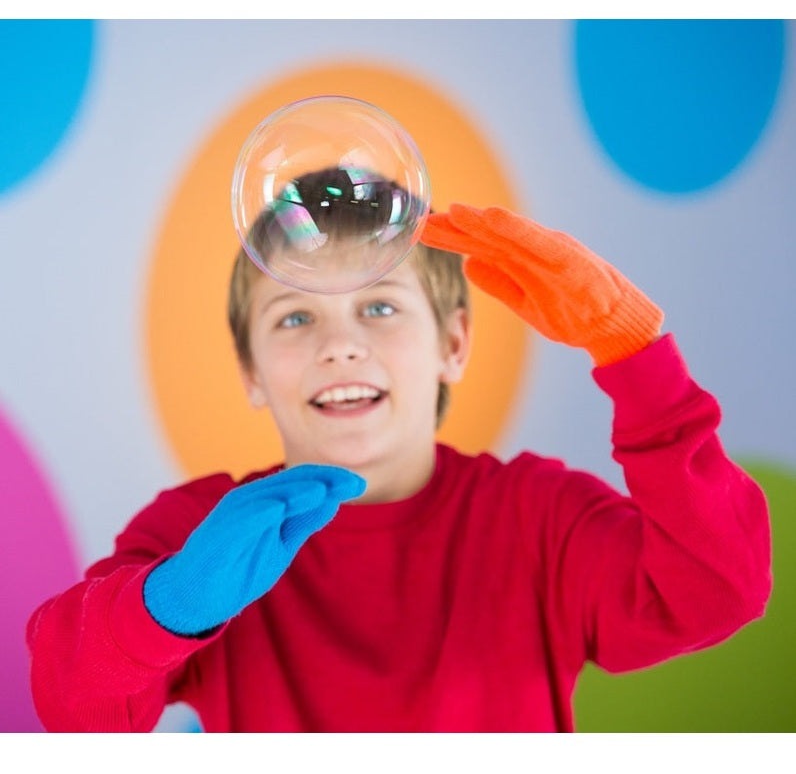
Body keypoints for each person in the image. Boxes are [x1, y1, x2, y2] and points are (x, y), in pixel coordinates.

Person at [26, 175, 772, 732]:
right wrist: (169, 606)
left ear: (453, 344)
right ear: (251, 372)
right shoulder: (202, 533)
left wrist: (632, 350)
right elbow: (69, 703)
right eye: (294, 316)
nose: (340, 344)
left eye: (379, 307)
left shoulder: (539, 516)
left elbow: (719, 587)